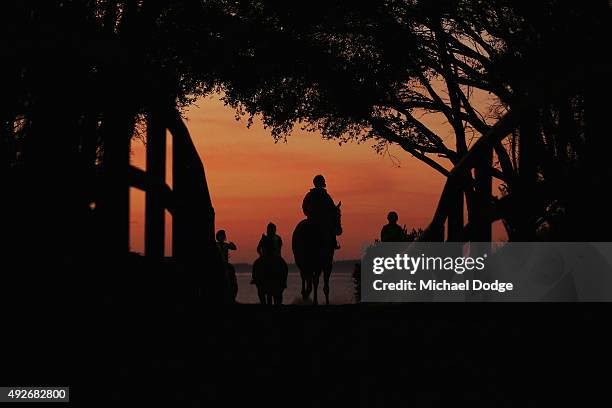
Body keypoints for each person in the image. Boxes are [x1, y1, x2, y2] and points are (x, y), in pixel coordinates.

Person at [252, 223, 288, 305]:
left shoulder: (277, 238)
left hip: (276, 256)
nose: (270, 231)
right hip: (265, 256)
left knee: (284, 265)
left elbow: (279, 248)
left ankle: (283, 281)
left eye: (272, 229)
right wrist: (261, 254)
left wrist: (276, 254)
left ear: (274, 230)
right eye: (269, 229)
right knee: (256, 263)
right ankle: (254, 278)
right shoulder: (264, 238)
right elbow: (258, 248)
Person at [302, 174, 339, 248]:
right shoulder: (326, 196)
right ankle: (334, 243)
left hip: (311, 219)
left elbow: (304, 207)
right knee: (330, 227)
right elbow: (332, 209)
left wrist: (308, 215)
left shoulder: (309, 195)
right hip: (321, 220)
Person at [216, 229, 238, 302]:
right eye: (220, 236)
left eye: (222, 236)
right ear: (218, 237)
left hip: (225, 263)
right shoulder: (216, 245)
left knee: (231, 270)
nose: (221, 238)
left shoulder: (225, 245)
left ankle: (232, 284)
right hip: (218, 264)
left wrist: (232, 244)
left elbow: (234, 248)